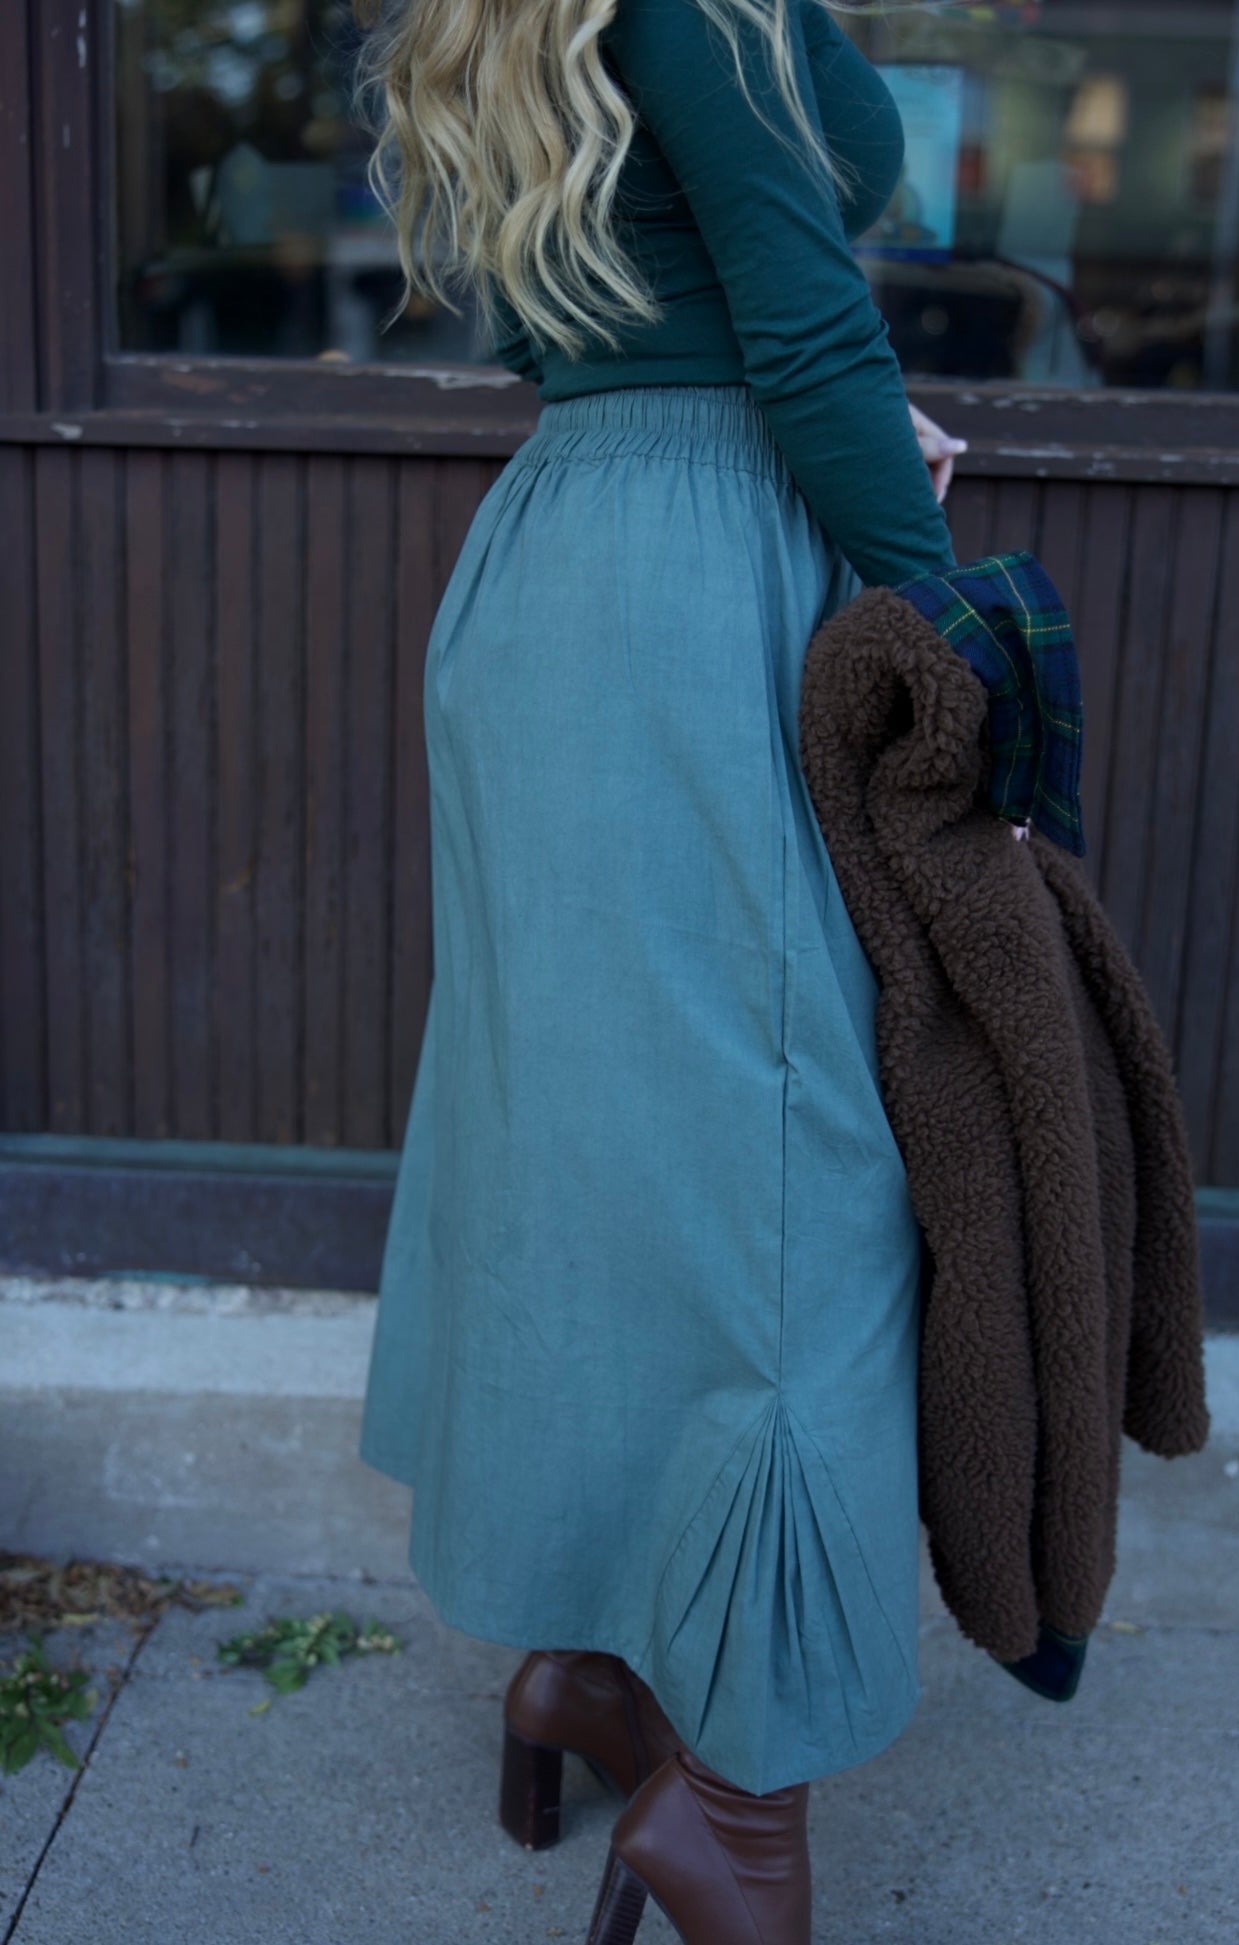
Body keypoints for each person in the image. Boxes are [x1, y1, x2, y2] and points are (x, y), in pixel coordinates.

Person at [354, 3, 967, 1939]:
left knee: (594, 1156)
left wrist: (834, 443)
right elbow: (798, 321)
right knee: (795, 1185)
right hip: (706, 593)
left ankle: (587, 1669)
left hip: (560, 565)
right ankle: (743, 1815)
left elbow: (642, 314)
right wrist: (961, 647)